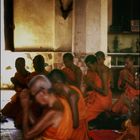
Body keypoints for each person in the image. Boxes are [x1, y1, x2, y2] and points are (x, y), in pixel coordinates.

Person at [20, 75, 73, 140]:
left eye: (33, 96)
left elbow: (27, 136)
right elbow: (38, 126)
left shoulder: (54, 111)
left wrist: (25, 108)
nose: (34, 101)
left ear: (42, 93)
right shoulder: (60, 101)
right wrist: (28, 107)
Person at [48, 69, 89, 140]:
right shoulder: (61, 92)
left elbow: (76, 124)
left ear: (58, 83)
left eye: (52, 86)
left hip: (76, 131)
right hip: (69, 125)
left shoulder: (72, 95)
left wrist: (61, 125)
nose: (52, 89)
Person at [1, 57, 30, 128]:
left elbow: (28, 88)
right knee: (5, 110)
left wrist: (17, 83)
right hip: (18, 97)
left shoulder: (29, 75)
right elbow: (16, 88)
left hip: (26, 98)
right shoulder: (17, 74)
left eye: (18, 65)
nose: (16, 67)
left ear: (23, 65)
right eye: (15, 65)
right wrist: (16, 85)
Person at [84, 55, 112, 123]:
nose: (89, 69)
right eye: (88, 67)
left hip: (103, 100)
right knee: (82, 103)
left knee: (84, 115)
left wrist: (91, 84)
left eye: (90, 66)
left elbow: (105, 93)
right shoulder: (94, 72)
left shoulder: (103, 72)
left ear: (95, 63)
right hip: (97, 96)